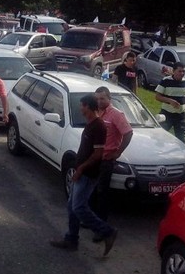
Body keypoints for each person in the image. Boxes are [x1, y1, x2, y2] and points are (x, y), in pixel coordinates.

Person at [50, 95, 118, 256]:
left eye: (82, 106)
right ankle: (71, 239)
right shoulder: (90, 124)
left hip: (88, 174)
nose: (80, 109)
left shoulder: (98, 126)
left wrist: (81, 169)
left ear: (88, 107)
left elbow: (98, 153)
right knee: (71, 206)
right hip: (81, 171)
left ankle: (107, 231)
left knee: (78, 207)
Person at [91, 87, 132, 237]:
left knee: (102, 193)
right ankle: (91, 221)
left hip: (106, 160)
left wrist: (118, 152)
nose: (99, 101)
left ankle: (102, 229)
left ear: (109, 99)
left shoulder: (115, 114)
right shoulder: (96, 112)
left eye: (102, 98)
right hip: (94, 158)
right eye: (97, 98)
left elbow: (128, 133)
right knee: (91, 191)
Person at [155, 62, 185, 144]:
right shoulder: (166, 81)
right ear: (174, 71)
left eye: (183, 71)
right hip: (167, 115)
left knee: (182, 140)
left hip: (181, 116)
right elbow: (157, 96)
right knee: (160, 137)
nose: (182, 73)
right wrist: (170, 101)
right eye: (179, 71)